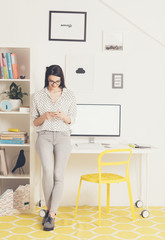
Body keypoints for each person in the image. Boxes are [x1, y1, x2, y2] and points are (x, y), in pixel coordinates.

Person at [31, 65, 77, 231]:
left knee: (59, 174)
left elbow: (73, 120)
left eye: (57, 81)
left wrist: (63, 116)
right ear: (47, 79)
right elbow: (34, 122)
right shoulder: (37, 96)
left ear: (61, 80)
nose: (54, 85)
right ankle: (51, 213)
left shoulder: (70, 95)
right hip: (44, 135)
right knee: (48, 171)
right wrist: (45, 116)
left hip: (63, 136)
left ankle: (51, 214)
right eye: (51, 81)